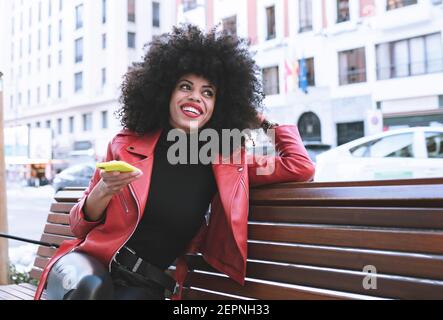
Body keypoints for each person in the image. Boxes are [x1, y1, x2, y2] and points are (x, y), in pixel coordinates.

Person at [34, 24, 315, 300]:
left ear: (221, 106)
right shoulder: (126, 145)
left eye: (208, 92)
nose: (195, 96)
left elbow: (300, 166)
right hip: (92, 270)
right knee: (93, 290)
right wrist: (104, 191)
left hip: (145, 286)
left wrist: (260, 120)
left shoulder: (226, 162)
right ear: (164, 92)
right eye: (185, 86)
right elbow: (78, 227)